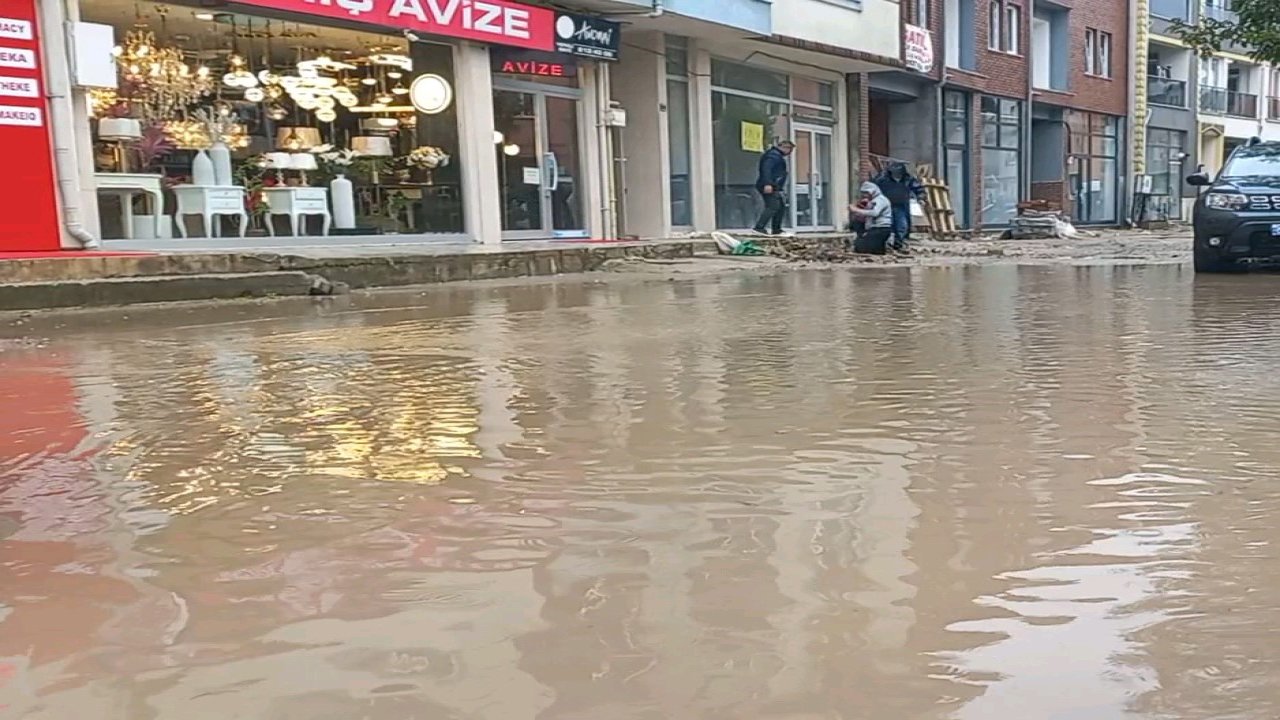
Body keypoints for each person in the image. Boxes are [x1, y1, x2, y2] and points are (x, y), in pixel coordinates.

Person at [873, 161, 926, 250]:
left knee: (902, 225)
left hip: (901, 206)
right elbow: (874, 188)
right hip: (886, 206)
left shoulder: (908, 179)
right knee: (887, 225)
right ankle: (887, 244)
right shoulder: (883, 179)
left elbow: (918, 189)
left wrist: (921, 198)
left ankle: (899, 242)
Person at [752, 140, 795, 236]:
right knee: (773, 206)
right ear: (785, 147)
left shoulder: (775, 155)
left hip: (774, 185)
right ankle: (759, 227)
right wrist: (768, 184)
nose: (790, 153)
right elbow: (766, 169)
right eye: (790, 150)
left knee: (780, 206)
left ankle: (776, 229)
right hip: (769, 185)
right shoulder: (773, 156)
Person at [849, 182, 893, 255]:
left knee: (863, 248)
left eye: (866, 193)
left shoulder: (880, 200)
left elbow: (875, 213)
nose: (864, 195)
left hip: (881, 228)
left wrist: (856, 210)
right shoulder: (872, 200)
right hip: (873, 228)